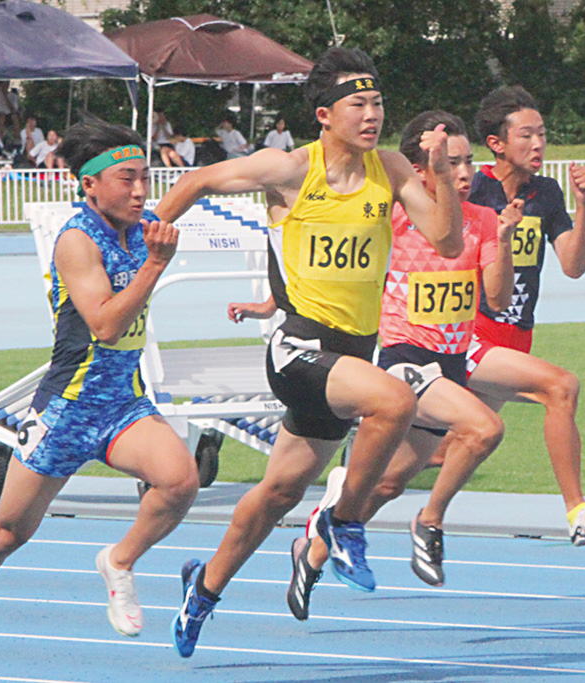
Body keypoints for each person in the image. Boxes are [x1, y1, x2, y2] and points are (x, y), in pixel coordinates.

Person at [156, 47, 464, 658]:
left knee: (279, 492)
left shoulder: (391, 169)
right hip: (298, 348)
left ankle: (204, 588)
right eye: (358, 104)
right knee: (394, 401)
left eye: (378, 103)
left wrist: (441, 175)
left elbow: (447, 241)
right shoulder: (291, 168)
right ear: (325, 115)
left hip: (348, 358)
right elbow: (196, 180)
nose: (372, 115)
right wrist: (143, 240)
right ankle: (343, 521)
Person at [0, 119, 200, 675]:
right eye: (126, 179)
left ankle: (119, 559)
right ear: (90, 184)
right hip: (66, 411)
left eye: (145, 178)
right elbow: (107, 325)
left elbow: (199, 183)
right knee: (5, 536)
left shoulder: (144, 224)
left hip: (123, 405)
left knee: (180, 481)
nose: (140, 191)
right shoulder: (77, 240)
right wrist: (154, 265)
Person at [270, 110, 523, 619]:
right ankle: (430, 522)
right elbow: (330, 257)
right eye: (450, 162)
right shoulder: (392, 213)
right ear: (418, 168)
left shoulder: (481, 220)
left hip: (450, 363)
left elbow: (497, 301)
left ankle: (311, 551)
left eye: (468, 161)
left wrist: (504, 241)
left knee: (385, 485)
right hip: (404, 358)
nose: (464, 172)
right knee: (484, 428)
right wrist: (273, 300)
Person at [429, 85, 585, 546]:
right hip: (469, 335)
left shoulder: (546, 193)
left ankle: (343, 493)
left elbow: (573, 266)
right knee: (561, 387)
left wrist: (583, 205)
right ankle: (578, 513)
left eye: (543, 134)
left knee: (443, 450)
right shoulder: (472, 188)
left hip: (515, 337)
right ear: (496, 143)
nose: (539, 144)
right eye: (527, 135)